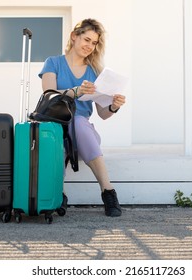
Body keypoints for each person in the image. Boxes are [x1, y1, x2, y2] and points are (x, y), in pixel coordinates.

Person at [38, 18, 126, 217]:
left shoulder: (95, 71)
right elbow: (49, 94)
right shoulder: (53, 62)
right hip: (55, 126)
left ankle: (107, 191)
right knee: (66, 129)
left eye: (94, 43)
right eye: (87, 39)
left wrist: (113, 106)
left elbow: (103, 114)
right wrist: (75, 91)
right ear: (74, 37)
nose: (90, 46)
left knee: (77, 121)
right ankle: (59, 195)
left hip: (82, 130)